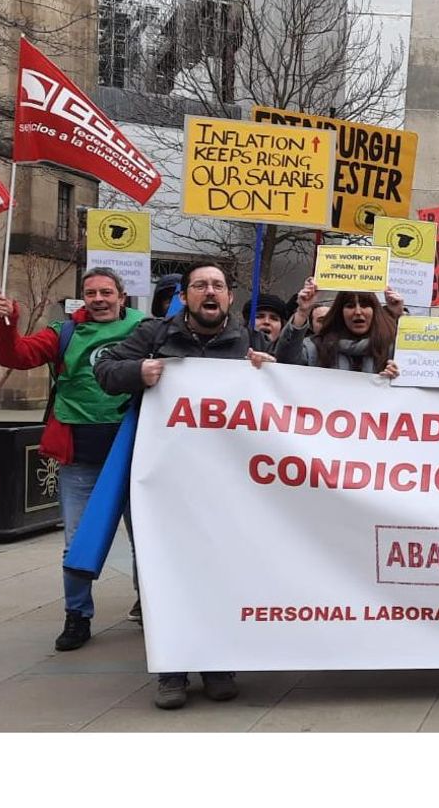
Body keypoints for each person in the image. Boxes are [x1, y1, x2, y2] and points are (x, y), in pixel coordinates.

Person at [94, 260, 276, 710]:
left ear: (229, 297)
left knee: (221, 573)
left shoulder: (249, 342)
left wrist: (270, 373)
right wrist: (138, 371)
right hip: (165, 481)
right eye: (200, 285)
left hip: (227, 485)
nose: (209, 292)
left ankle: (217, 665)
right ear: (184, 296)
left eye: (217, 285)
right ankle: (172, 670)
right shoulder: (154, 334)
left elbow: (290, 396)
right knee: (167, 574)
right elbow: (105, 370)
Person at [0, 268, 147, 650]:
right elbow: (15, 355)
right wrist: (5, 321)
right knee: (76, 542)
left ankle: (151, 605)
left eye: (106, 292)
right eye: (91, 293)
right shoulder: (64, 333)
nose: (99, 299)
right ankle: (77, 616)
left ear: (121, 295)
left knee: (146, 540)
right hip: (80, 459)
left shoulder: (146, 330)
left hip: (135, 455)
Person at [281, 277, 404, 374]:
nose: (358, 312)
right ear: (340, 312)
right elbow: (285, 363)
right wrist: (302, 312)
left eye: (364, 305)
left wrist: (399, 376)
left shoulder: (390, 348)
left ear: (375, 312)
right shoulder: (316, 347)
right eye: (350, 306)